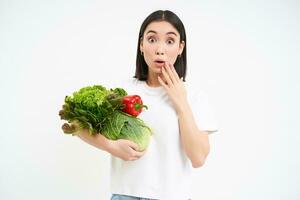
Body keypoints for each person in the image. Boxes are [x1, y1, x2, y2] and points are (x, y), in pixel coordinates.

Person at [77, 10, 218, 200]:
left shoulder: (194, 97)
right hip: (126, 195)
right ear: (141, 45)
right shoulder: (122, 91)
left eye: (169, 41)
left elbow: (198, 158)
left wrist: (181, 103)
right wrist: (111, 146)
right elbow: (77, 126)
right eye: (152, 40)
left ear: (180, 47)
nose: (160, 49)